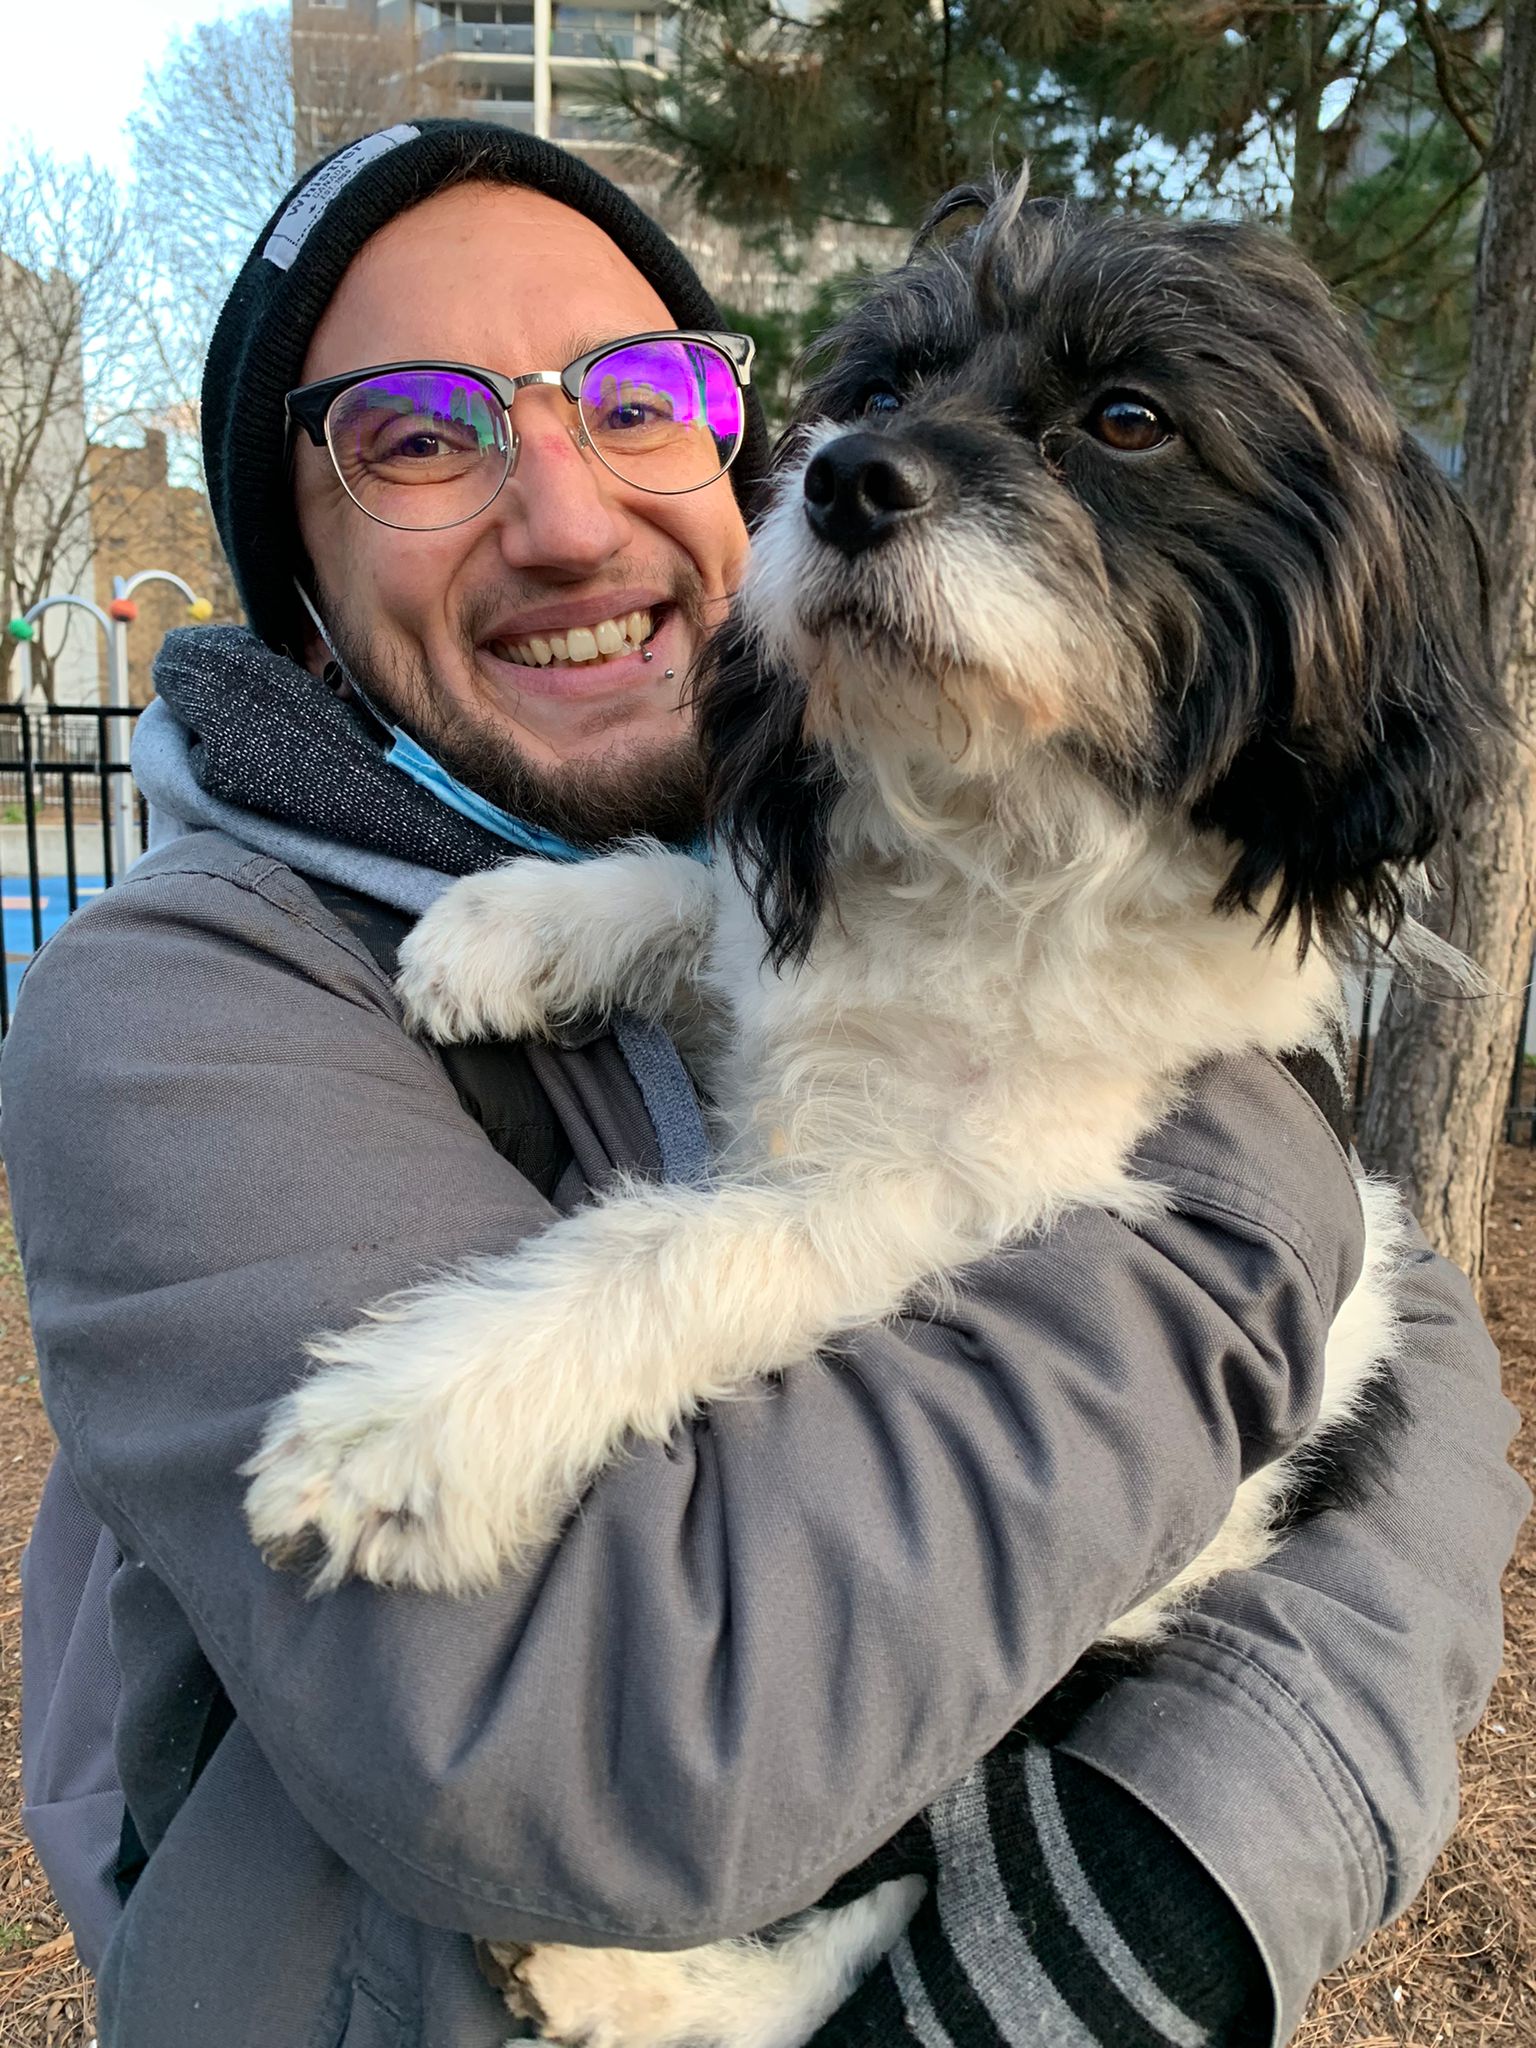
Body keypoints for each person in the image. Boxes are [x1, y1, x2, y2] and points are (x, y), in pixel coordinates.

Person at [3, 121, 1524, 2048]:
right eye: (415, 433)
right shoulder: (179, 1003)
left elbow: (1432, 1433)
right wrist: (1257, 1217)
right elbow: (598, 1740)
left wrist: (1170, 1870)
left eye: (641, 401)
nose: (562, 512)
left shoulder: (881, 821)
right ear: (288, 574)